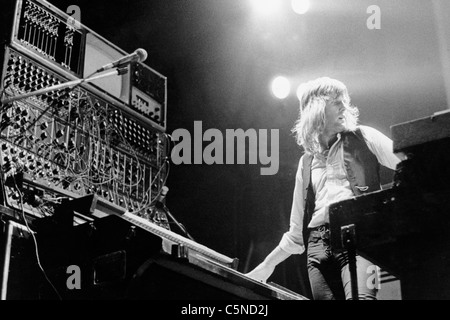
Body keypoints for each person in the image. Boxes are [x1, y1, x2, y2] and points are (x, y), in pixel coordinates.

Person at [246, 76, 403, 300]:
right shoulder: (306, 163)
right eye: (336, 101)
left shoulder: (364, 137)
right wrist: (266, 266)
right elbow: (296, 233)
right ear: (317, 109)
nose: (344, 107)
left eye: (344, 101)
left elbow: (410, 163)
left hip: (360, 238)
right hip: (317, 247)